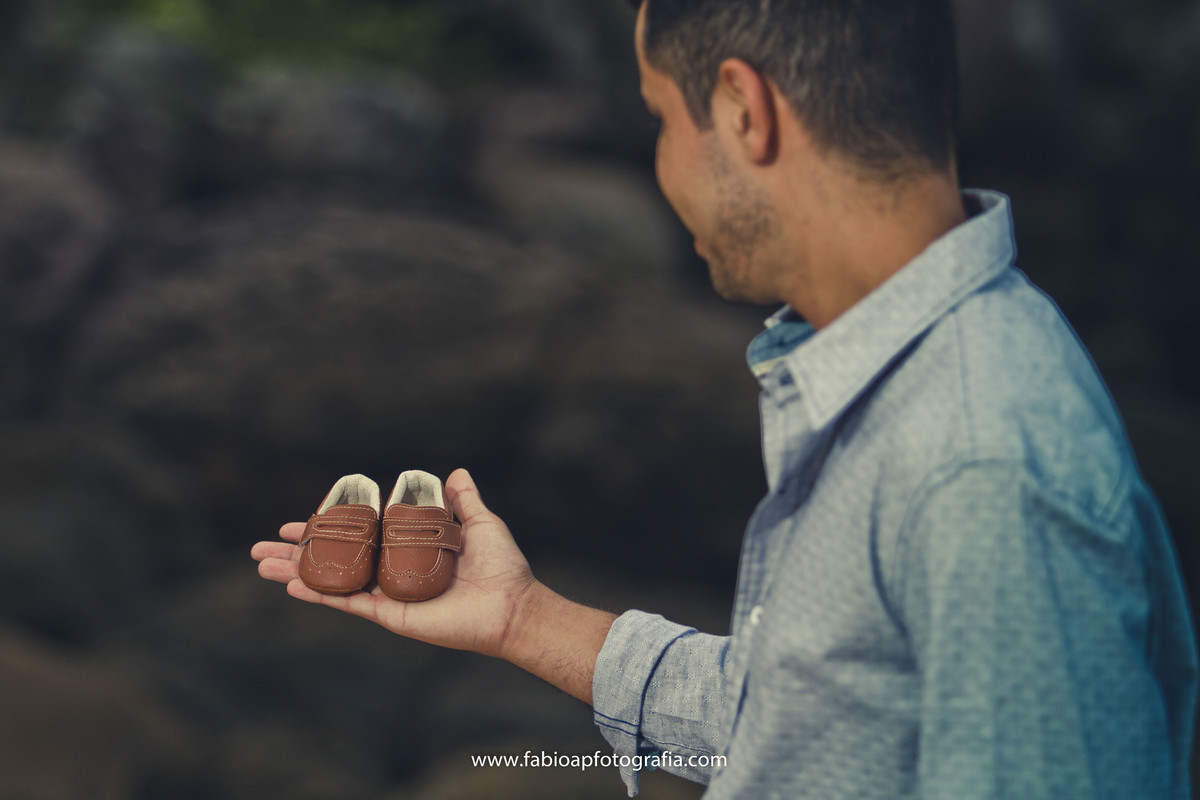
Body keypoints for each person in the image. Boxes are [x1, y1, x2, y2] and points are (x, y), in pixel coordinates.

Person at [253, 0, 1198, 797]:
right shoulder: (912, 382)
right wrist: (523, 620)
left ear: (745, 110)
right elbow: (807, 720)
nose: (661, 167)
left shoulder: (981, 464)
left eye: (661, 118)